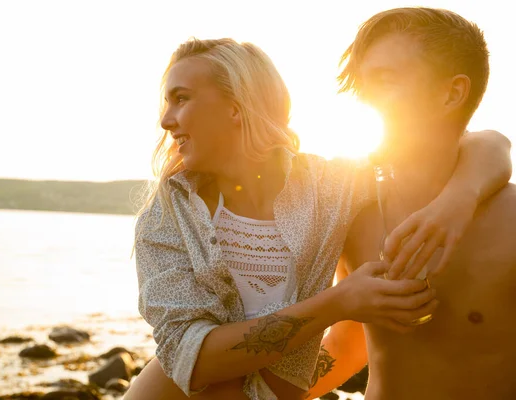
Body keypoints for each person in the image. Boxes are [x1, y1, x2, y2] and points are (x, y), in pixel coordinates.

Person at [125, 38, 512, 400]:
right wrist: (338, 302)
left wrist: (458, 200)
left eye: (181, 99)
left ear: (235, 105)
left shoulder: (333, 188)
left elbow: (485, 143)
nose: (165, 120)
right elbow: (191, 361)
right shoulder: (164, 216)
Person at [306, 7, 515, 400]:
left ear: (452, 93)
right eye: (361, 83)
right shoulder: (352, 213)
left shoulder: (511, 220)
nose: (364, 97)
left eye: (385, 81)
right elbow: (351, 343)